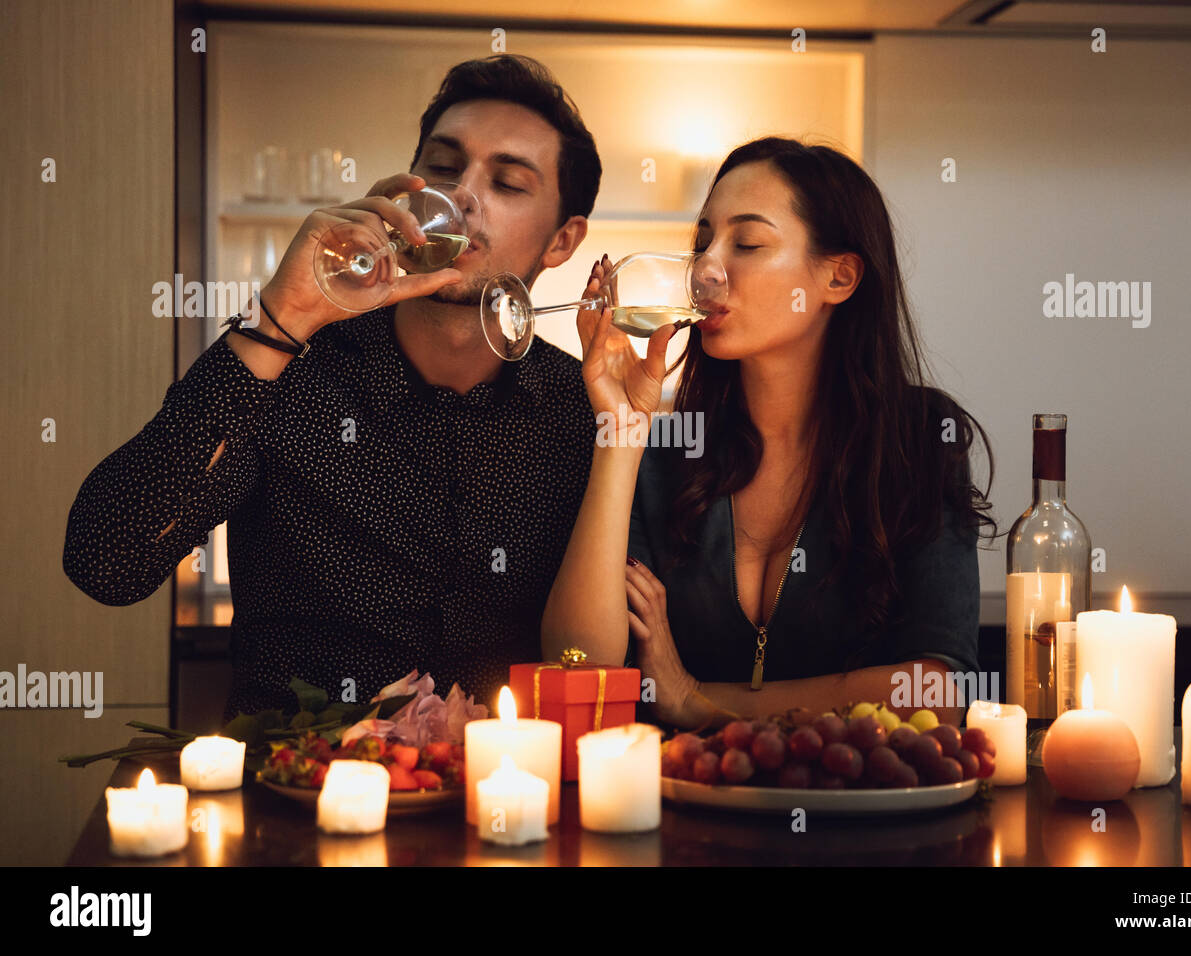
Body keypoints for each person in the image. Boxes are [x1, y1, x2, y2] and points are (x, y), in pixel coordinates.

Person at [64, 55, 602, 719]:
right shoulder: (289, 374)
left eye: (509, 183)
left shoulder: (581, 412)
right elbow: (106, 562)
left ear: (562, 240)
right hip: (293, 800)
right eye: (442, 166)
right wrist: (281, 317)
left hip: (497, 808)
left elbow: (598, 659)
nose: (462, 195)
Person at [542, 137, 997, 730]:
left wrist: (694, 699)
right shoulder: (668, 452)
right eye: (703, 241)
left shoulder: (917, 443)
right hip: (690, 812)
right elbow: (580, 671)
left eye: (748, 243)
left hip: (864, 817)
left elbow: (935, 692)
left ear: (839, 277)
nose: (706, 268)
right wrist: (620, 435)